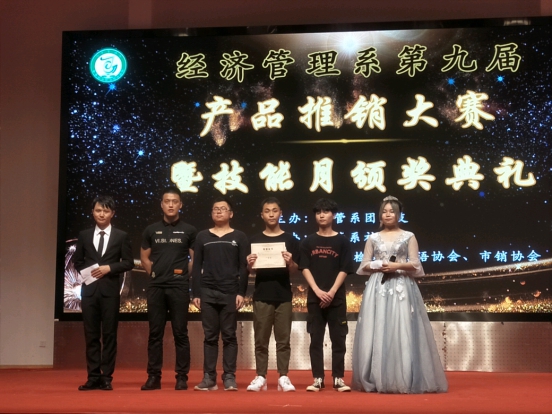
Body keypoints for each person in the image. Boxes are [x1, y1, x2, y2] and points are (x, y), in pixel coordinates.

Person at [352, 195, 448, 394]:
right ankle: (376, 378)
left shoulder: (408, 236)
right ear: (380, 215)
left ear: (399, 215)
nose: (388, 214)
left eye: (392, 211)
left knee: (402, 328)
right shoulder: (372, 237)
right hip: (378, 286)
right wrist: (379, 265)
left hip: (402, 286)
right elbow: (363, 266)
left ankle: (404, 377)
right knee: (377, 328)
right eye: (384, 211)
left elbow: (416, 265)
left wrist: (396, 266)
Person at [73, 195, 134, 391]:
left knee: (109, 336)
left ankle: (106, 377)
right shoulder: (84, 235)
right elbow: (77, 261)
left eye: (106, 211)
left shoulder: (121, 236)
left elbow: (128, 263)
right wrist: (89, 273)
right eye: (98, 210)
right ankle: (92, 377)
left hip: (110, 292)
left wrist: (110, 268)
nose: (101, 214)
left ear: (112, 213)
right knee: (91, 335)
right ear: (92, 212)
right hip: (89, 292)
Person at [140, 186, 197, 391]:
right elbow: (144, 258)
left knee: (180, 333)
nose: (171, 205)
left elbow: (194, 259)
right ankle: (153, 377)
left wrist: (183, 276)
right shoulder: (151, 230)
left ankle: (182, 377)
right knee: (155, 333)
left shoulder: (189, 230)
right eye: (167, 201)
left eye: (174, 201)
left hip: (179, 287)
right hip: (156, 287)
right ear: (161, 204)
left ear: (180, 204)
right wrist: (155, 274)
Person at [192, 197, 249, 391]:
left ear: (230, 214)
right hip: (207, 292)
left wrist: (241, 292)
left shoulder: (239, 236)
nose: (218, 211)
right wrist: (196, 293)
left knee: (229, 336)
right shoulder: (202, 236)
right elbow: (196, 266)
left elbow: (243, 267)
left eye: (223, 209)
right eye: (215, 209)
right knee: (209, 336)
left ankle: (229, 376)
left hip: (230, 292)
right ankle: (209, 377)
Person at [299, 198, 354, 392]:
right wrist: (317, 291)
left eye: (326, 211)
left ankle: (338, 378)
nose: (321, 215)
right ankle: (318, 378)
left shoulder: (343, 241)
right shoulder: (308, 241)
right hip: (315, 298)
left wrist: (331, 292)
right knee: (315, 339)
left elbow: (345, 268)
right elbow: (304, 267)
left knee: (338, 339)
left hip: (336, 298)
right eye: (318, 212)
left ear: (334, 215)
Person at [246, 197, 299, 392]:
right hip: (261, 294)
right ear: (262, 215)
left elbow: (295, 270)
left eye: (274, 210)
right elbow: (250, 270)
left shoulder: (290, 240)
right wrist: (249, 264)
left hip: (283, 295)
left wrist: (290, 262)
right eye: (267, 211)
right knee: (261, 340)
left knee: (283, 340)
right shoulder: (254, 240)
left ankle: (283, 376)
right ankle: (261, 376)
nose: (271, 214)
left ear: (280, 213)